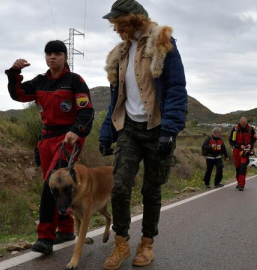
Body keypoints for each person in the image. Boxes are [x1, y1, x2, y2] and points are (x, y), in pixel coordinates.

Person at [99, 0, 187, 268]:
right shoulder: (121, 52)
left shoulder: (162, 43)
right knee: (120, 186)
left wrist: (169, 131)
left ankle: (146, 244)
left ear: (130, 20)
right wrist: (106, 131)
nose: (114, 28)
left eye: (117, 22)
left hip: (157, 128)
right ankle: (122, 243)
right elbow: (117, 98)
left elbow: (175, 87)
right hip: (129, 129)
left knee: (151, 189)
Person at [5, 40, 94, 254]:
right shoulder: (40, 82)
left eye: (57, 54)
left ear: (64, 57)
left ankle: (45, 236)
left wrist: (76, 131)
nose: (52, 57)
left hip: (68, 139)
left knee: (50, 183)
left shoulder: (74, 81)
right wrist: (14, 73)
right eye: (48, 54)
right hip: (46, 139)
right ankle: (65, 229)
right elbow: (18, 94)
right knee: (56, 184)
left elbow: (87, 111)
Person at [229, 117, 257, 191]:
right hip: (237, 151)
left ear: (246, 122)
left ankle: (241, 185)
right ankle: (239, 182)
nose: (243, 125)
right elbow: (231, 141)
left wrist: (250, 144)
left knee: (243, 167)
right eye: (242, 123)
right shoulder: (235, 129)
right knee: (238, 168)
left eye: (245, 123)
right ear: (240, 122)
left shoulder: (251, 129)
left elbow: (254, 139)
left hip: (246, 151)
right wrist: (239, 145)